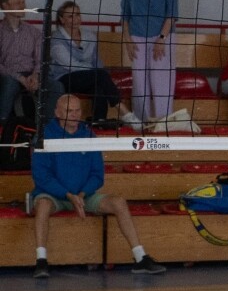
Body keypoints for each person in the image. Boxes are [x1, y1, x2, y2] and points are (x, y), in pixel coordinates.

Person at [30, 93, 160, 279]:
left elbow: (98, 175)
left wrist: (82, 194)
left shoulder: (89, 135)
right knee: (42, 205)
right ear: (57, 113)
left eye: (77, 111)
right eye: (69, 111)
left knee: (118, 202)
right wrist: (68, 195)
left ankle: (141, 258)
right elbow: (42, 177)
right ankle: (41, 261)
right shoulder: (45, 135)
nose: (74, 115)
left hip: (84, 196)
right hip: (55, 196)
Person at [120, 0, 178, 126]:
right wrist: (128, 40)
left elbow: (172, 13)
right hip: (136, 36)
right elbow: (125, 14)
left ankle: (163, 123)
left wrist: (162, 39)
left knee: (162, 83)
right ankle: (141, 124)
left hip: (162, 35)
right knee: (139, 83)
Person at [48, 1, 132, 126]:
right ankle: (125, 113)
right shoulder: (56, 39)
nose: (75, 19)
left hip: (89, 77)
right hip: (64, 78)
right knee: (100, 77)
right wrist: (99, 74)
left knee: (99, 85)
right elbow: (72, 65)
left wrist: (101, 74)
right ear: (62, 19)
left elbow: (97, 62)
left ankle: (98, 121)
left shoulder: (90, 36)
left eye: (77, 14)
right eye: (70, 16)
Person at [0, 0, 42, 128]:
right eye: (18, 3)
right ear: (5, 6)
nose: (23, 6)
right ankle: (2, 125)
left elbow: (40, 59)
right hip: (8, 74)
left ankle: (45, 127)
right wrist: (19, 78)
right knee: (10, 83)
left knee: (55, 86)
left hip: (30, 74)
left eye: (23, 2)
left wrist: (35, 75)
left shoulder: (34, 32)